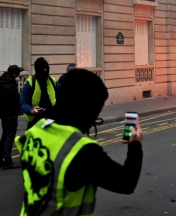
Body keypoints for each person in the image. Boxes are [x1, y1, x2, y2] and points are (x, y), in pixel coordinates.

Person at [15, 69, 143, 215]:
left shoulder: (35, 131)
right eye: (95, 111)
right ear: (85, 109)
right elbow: (126, 183)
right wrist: (135, 143)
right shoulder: (82, 150)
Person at [0, 64, 22, 169]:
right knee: (10, 137)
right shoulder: (10, 85)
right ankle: (8, 160)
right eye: (18, 73)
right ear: (14, 74)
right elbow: (15, 100)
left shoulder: (1, 81)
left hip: (3, 113)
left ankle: (0, 160)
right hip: (11, 113)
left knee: (4, 136)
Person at [20, 57, 58, 129]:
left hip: (51, 120)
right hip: (35, 121)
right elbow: (23, 102)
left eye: (47, 69)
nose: (45, 71)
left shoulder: (52, 81)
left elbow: (62, 96)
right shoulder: (30, 83)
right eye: (43, 69)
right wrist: (31, 111)